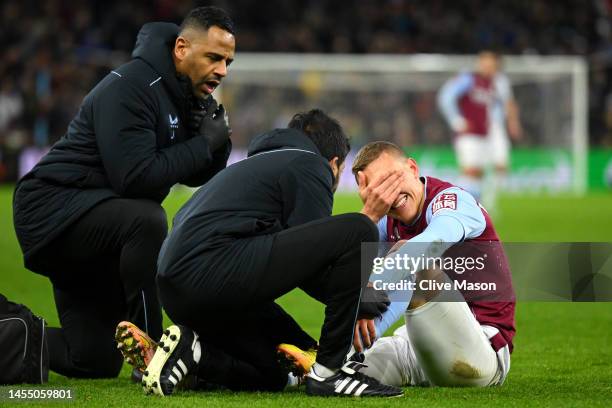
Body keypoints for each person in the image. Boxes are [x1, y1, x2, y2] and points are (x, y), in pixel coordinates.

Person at [12, 6, 235, 379]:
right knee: (146, 220)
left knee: (93, 359)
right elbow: (135, 179)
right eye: (213, 57)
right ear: (182, 48)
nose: (222, 70)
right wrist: (201, 146)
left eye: (228, 61)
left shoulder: (185, 93)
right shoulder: (131, 85)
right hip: (50, 208)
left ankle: (7, 335)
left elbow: (195, 173)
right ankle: (154, 352)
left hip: (96, 223)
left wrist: (217, 143)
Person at [123, 109, 402, 397]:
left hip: (180, 290)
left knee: (279, 372)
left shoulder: (248, 169)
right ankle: (331, 374)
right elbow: (315, 269)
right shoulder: (310, 164)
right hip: (213, 273)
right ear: (333, 164)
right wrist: (365, 296)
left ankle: (191, 356)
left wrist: (357, 295)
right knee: (358, 228)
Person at [347, 141, 516, 387]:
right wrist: (369, 216)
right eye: (379, 190)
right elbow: (346, 266)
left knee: (411, 257)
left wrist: (368, 293)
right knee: (339, 369)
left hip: (481, 353)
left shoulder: (452, 201)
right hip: (418, 349)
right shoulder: (387, 222)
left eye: (393, 180)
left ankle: (339, 352)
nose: (391, 195)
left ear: (413, 168)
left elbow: (426, 248)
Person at [437, 50, 522, 211]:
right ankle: (458, 206)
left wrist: (509, 122)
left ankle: (478, 207)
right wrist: (456, 120)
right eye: (485, 63)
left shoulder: (493, 83)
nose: (488, 67)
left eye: (491, 64)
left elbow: (503, 104)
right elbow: (446, 97)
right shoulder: (468, 79)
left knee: (480, 172)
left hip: (485, 133)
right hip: (468, 135)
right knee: (470, 171)